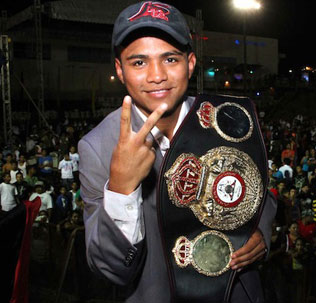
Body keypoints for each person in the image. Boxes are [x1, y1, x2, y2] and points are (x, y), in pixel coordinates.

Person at [78, 2, 276, 302]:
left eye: (170, 59)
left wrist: (259, 231)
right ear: (120, 70)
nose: (157, 75)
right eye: (139, 62)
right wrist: (120, 189)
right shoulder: (98, 147)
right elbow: (112, 269)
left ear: (191, 62)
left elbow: (260, 187)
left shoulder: (228, 117)